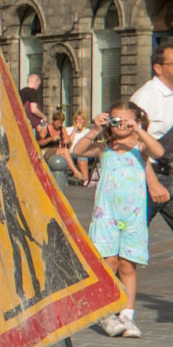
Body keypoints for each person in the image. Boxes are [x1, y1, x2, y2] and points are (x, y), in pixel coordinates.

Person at [75, 101, 166, 338]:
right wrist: (94, 129)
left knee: (128, 264)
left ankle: (127, 314)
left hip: (133, 216)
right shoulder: (103, 147)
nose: (121, 125)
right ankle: (106, 311)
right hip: (107, 215)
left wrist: (138, 131)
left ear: (137, 121)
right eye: (116, 120)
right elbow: (78, 151)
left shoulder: (140, 147)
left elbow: (159, 152)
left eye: (127, 121)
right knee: (109, 263)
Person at [128, 42, 173, 234]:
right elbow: (132, 144)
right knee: (131, 235)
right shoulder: (145, 97)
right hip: (150, 177)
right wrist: (152, 182)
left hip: (170, 174)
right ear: (158, 68)